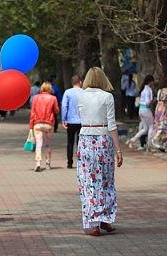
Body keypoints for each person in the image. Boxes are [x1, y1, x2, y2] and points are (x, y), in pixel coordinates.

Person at [76, 67, 123, 236]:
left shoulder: (80, 96)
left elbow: (79, 117)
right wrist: (118, 150)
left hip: (85, 140)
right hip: (103, 139)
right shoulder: (107, 96)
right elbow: (112, 125)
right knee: (106, 180)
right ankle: (104, 219)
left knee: (89, 182)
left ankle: (95, 221)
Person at [29, 82, 59, 171]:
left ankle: (38, 163)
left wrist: (31, 125)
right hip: (48, 124)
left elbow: (32, 112)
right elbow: (56, 111)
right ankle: (48, 163)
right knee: (48, 144)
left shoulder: (35, 98)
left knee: (39, 144)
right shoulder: (53, 98)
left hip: (37, 123)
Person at [126, 75, 155, 149]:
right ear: (150, 81)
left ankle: (133, 139)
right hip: (146, 109)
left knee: (145, 129)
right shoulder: (149, 90)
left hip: (140, 110)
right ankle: (149, 144)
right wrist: (154, 100)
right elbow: (148, 102)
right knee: (151, 126)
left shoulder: (143, 90)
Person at [61, 75, 83, 169]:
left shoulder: (68, 92)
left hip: (70, 120)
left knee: (70, 142)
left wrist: (64, 119)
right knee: (80, 143)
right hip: (82, 121)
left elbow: (64, 106)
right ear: (80, 82)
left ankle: (69, 162)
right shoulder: (84, 92)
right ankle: (81, 162)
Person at [151, 76, 167, 152]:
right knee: (163, 127)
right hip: (163, 109)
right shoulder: (165, 91)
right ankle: (156, 141)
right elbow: (164, 102)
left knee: (159, 125)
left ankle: (161, 144)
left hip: (158, 109)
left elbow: (158, 101)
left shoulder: (160, 90)